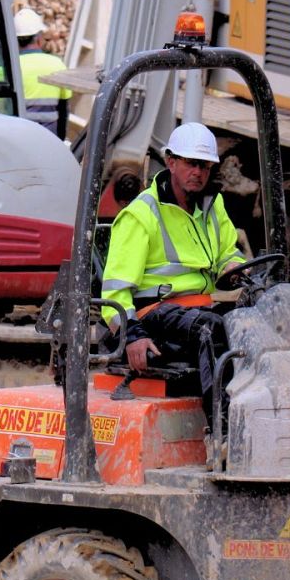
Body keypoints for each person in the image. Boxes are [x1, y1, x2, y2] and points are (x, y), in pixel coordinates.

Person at [100, 122, 246, 423]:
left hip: (197, 307)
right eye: (192, 164)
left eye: (205, 166)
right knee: (213, 329)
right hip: (153, 312)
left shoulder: (211, 206)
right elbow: (114, 292)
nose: (199, 172)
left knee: (254, 323)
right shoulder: (141, 214)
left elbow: (227, 251)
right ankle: (223, 432)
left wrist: (233, 266)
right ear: (171, 162)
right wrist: (132, 335)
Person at [14, 7, 71, 138]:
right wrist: (60, 140)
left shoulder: (7, 69)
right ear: (39, 38)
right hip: (49, 139)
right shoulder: (57, 65)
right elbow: (64, 109)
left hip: (16, 138)